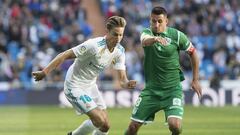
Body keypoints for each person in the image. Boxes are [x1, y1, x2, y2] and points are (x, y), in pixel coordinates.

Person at [32, 16, 137, 135]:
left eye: (121, 35)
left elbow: (122, 81)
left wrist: (127, 83)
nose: (118, 38)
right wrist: (44, 72)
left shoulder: (120, 52)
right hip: (74, 85)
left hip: (91, 86)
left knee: (105, 126)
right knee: (99, 119)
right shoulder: (93, 46)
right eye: (115, 34)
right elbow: (65, 54)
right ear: (108, 31)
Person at [125, 6, 202, 135]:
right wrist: (154, 39)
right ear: (150, 21)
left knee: (175, 126)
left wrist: (195, 80)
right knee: (132, 128)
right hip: (151, 91)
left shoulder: (177, 36)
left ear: (166, 21)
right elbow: (144, 41)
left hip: (172, 90)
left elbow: (193, 53)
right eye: (153, 21)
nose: (156, 24)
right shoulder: (146, 32)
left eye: (159, 21)